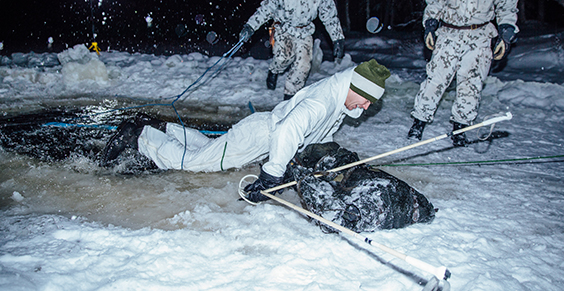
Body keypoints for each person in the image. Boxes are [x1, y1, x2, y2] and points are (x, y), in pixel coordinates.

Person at [100, 60, 390, 202]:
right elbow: (287, 132)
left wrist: (312, 157)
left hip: (261, 135)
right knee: (195, 163)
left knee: (209, 152)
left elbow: (318, 135)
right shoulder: (323, 101)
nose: (364, 107)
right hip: (258, 135)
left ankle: (168, 129)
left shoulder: (339, 100)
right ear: (355, 87)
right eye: (365, 100)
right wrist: (272, 174)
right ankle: (139, 137)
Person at [407, 0, 518, 146]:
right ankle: (419, 123)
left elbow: (507, 6)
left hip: (481, 35)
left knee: (471, 83)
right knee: (436, 79)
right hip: (449, 33)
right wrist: (430, 24)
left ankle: (460, 127)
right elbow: (435, 2)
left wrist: (506, 32)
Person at [238, 0, 346, 101]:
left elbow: (329, 14)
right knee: (283, 58)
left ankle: (289, 98)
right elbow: (267, 7)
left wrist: (337, 38)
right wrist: (250, 26)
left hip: (305, 30)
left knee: (303, 66)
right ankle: (274, 70)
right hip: (283, 27)